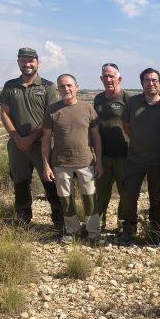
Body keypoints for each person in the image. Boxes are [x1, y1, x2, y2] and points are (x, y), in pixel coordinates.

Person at [0, 47, 63, 228]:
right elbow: (4, 113)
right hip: (17, 145)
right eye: (23, 60)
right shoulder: (10, 86)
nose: (27, 64)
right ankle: (23, 221)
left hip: (43, 144)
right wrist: (17, 137)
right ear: (18, 62)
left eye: (30, 61)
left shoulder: (48, 86)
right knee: (20, 183)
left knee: (50, 182)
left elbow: (50, 117)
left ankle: (60, 222)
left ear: (38, 63)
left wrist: (30, 138)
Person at [41, 74, 103, 245]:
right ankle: (72, 231)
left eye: (69, 85)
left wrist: (99, 161)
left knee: (90, 198)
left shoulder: (88, 108)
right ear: (58, 89)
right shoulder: (52, 110)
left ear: (77, 87)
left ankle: (93, 232)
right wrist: (46, 165)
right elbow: (46, 139)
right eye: (62, 86)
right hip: (60, 163)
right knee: (66, 199)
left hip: (86, 161)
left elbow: (96, 137)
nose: (66, 89)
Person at [117, 68, 160, 245]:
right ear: (142, 83)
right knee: (129, 195)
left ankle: (156, 229)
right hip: (135, 159)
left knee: (156, 197)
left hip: (158, 160)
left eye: (154, 80)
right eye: (147, 80)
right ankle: (129, 228)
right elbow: (126, 126)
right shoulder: (132, 103)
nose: (151, 83)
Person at [94, 63, 130, 233]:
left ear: (119, 78)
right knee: (101, 192)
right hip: (104, 155)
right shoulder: (98, 99)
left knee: (125, 193)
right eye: (105, 76)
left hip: (124, 154)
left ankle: (123, 226)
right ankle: (97, 225)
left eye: (112, 76)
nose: (108, 79)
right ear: (101, 78)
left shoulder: (127, 99)